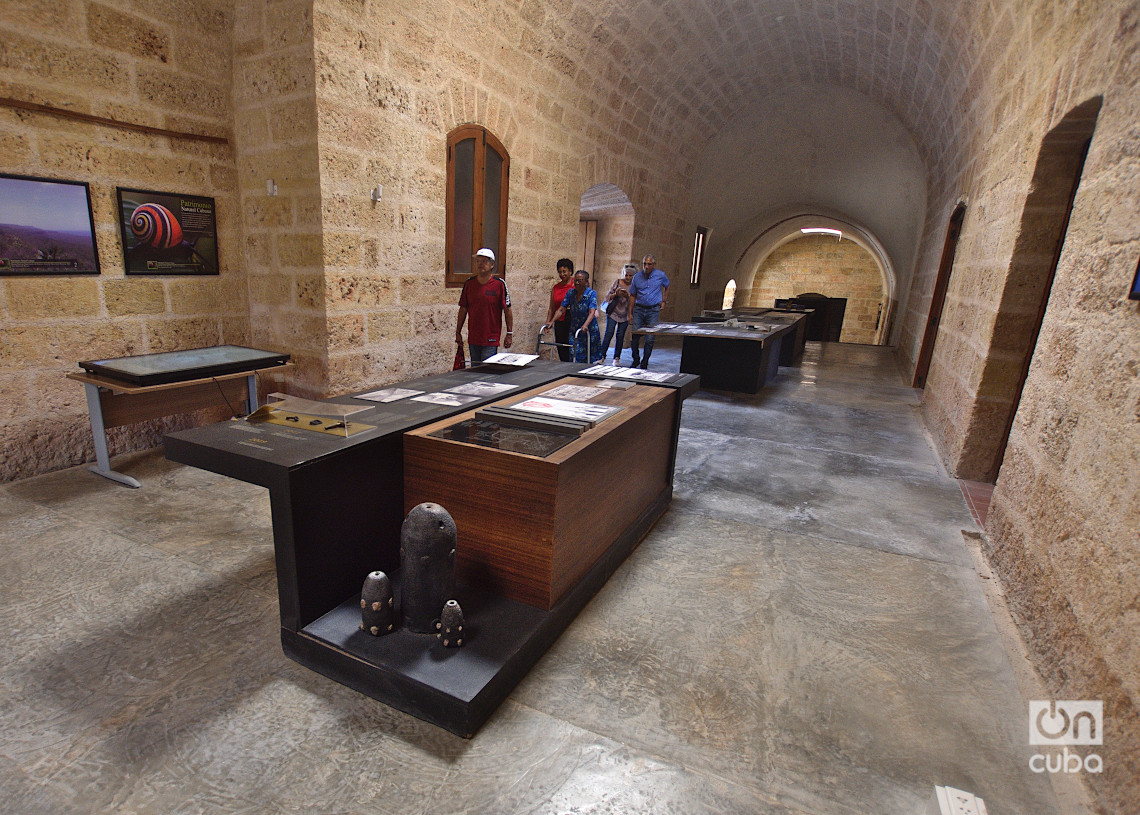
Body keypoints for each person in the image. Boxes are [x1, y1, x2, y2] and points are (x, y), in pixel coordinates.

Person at [455, 247, 513, 364]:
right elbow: (463, 309)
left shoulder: (499, 284)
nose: (480, 264)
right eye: (478, 261)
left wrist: (509, 333)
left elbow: (507, 310)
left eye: (484, 261)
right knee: (475, 371)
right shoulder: (469, 284)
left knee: (487, 372)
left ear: (492, 265)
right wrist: (458, 332)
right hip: (474, 337)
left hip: (490, 338)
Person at [543, 270, 602, 363]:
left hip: (588, 328)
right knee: (574, 353)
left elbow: (592, 312)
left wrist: (586, 325)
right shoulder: (571, 293)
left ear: (586, 282)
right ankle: (574, 373)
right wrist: (552, 321)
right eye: (576, 280)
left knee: (588, 356)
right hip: (575, 328)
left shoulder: (591, 293)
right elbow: (561, 309)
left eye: (580, 280)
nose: (577, 283)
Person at [628, 253, 670, 368]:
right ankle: (635, 358)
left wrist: (664, 300)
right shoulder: (637, 277)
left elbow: (667, 285)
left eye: (649, 264)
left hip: (653, 309)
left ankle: (645, 361)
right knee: (635, 337)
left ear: (654, 265)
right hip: (639, 309)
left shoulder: (660, 275)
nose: (646, 266)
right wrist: (630, 313)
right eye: (644, 264)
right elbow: (632, 295)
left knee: (650, 338)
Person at [600, 263, 636, 362]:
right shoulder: (617, 282)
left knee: (620, 336)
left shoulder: (634, 286)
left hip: (625, 314)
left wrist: (627, 296)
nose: (628, 277)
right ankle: (602, 356)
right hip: (613, 312)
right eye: (626, 275)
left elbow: (635, 301)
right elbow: (608, 297)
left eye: (630, 275)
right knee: (609, 333)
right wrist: (616, 294)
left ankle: (617, 357)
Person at [544, 258, 575, 361]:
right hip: (559, 320)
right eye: (560, 272)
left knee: (571, 345)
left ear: (570, 271)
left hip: (572, 319)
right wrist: (548, 322)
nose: (562, 274)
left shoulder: (575, 284)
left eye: (564, 271)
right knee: (561, 345)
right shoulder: (556, 288)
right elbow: (552, 307)